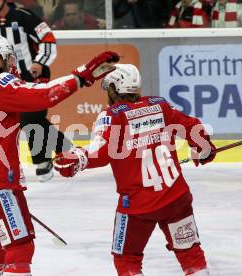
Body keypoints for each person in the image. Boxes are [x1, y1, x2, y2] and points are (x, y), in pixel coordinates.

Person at [0, 34, 118, 276]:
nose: (10, 64)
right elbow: (44, 94)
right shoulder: (0, 84)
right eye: (6, 59)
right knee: (20, 247)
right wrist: (83, 75)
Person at [53, 64, 216, 276]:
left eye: (108, 88)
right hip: (176, 198)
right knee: (190, 254)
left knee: (126, 259)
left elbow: (101, 151)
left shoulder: (113, 115)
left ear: (115, 88)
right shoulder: (159, 105)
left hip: (138, 206)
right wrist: (203, 148)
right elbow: (192, 126)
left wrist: (76, 159)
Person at [0, 0, 73, 182]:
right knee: (34, 118)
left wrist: (39, 62)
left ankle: (42, 161)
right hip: (11, 80)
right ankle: (64, 147)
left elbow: (47, 38)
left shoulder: (24, 16)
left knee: (29, 118)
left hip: (35, 76)